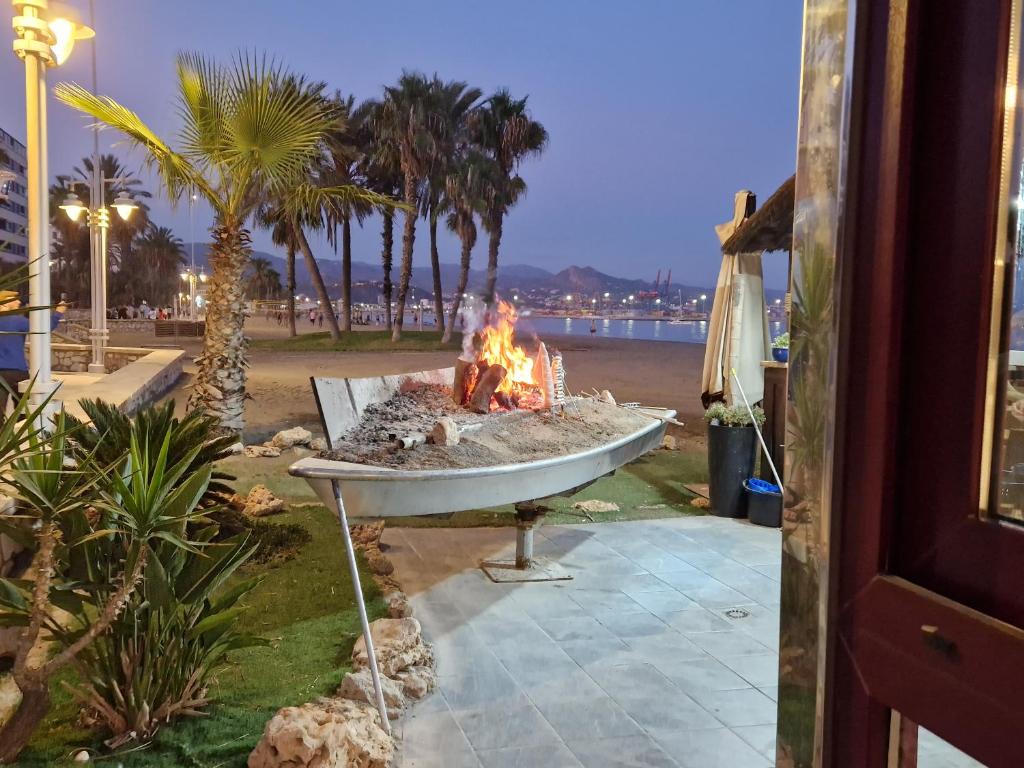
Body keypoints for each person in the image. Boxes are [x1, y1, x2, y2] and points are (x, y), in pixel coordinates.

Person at [0, 291, 66, 414]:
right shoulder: (17, 321)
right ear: (3, 305)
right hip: (17, 373)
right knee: (23, 411)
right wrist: (58, 312)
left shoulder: (18, 320)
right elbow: (45, 327)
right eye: (13, 299)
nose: (19, 301)